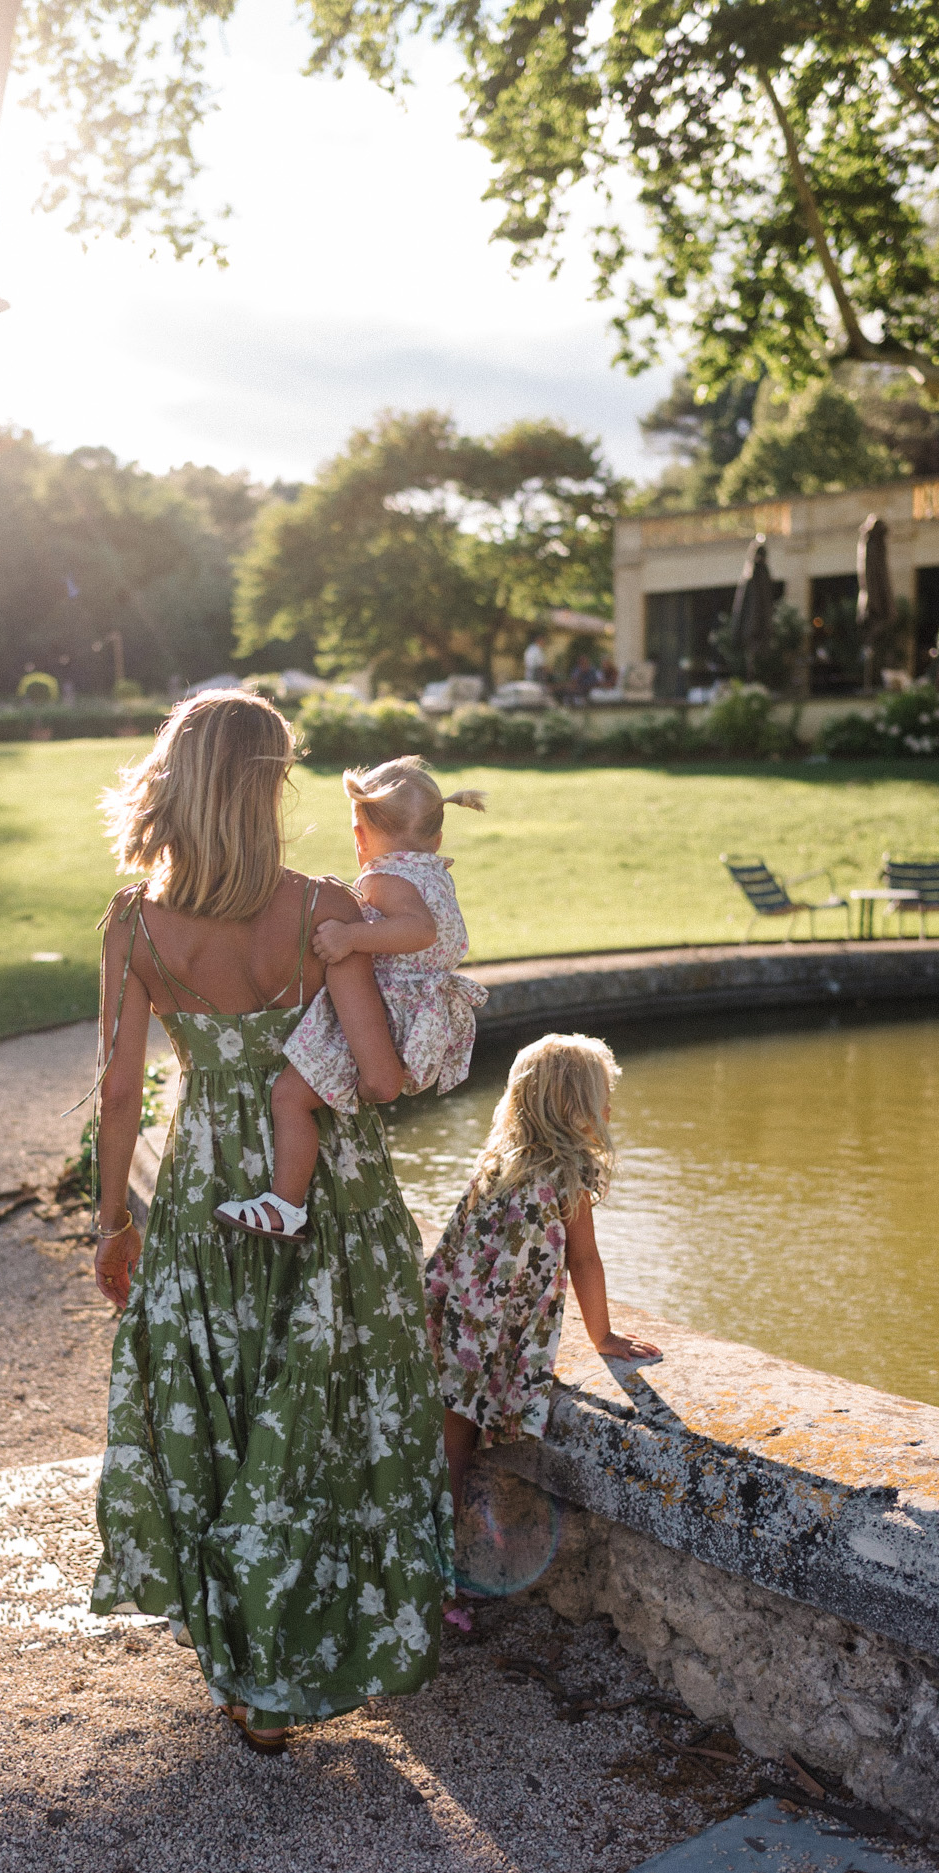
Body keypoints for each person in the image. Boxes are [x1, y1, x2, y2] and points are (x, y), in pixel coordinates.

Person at [88, 692, 453, 1754]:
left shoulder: (133, 922)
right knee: (320, 1419)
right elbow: (375, 1079)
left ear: (174, 783)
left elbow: (118, 1095)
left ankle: (245, 1678)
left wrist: (113, 1223)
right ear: (265, 790)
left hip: (207, 1197)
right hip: (327, 1195)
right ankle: (301, 1660)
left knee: (224, 1408)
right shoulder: (322, 910)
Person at [215, 756, 488, 1241]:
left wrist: (349, 938)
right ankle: (354, 1104)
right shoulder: (433, 872)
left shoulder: (383, 877)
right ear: (438, 838)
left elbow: (420, 930)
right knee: (314, 1095)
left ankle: (285, 1205)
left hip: (385, 1008)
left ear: (360, 835)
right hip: (420, 1012)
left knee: (288, 1097)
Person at [425, 1033, 662, 1551]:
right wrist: (603, 1335)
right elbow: (583, 1260)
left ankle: (421, 1562)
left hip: (453, 1316)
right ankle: (434, 1574)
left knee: (439, 1447)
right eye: (603, 1095)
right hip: (486, 1335)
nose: (610, 1106)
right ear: (575, 1106)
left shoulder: (498, 1161)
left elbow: (455, 1242)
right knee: (452, 1457)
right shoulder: (566, 1172)